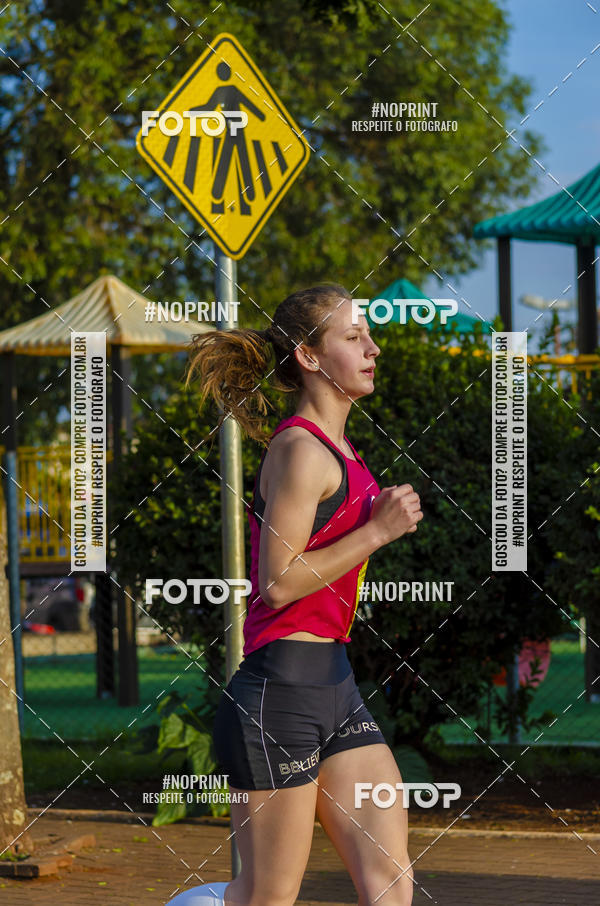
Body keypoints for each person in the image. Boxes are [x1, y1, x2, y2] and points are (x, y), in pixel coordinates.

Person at [171, 284, 423, 906]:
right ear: (309, 357)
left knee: (391, 886)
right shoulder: (300, 450)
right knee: (265, 898)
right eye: (353, 337)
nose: (373, 349)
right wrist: (378, 531)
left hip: (335, 688)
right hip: (278, 698)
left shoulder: (343, 451)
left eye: (368, 335)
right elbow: (278, 583)